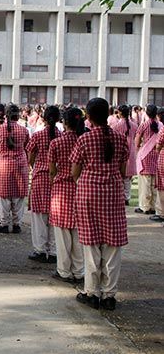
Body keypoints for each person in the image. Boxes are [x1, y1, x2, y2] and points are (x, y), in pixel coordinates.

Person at [71, 97, 128, 311]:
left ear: (89, 116)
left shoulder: (84, 140)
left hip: (88, 193)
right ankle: (109, 295)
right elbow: (123, 171)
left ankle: (92, 292)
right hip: (112, 193)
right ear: (108, 114)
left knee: (91, 244)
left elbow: (74, 172)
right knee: (113, 245)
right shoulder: (120, 139)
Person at [48, 107, 85, 284]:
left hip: (62, 189)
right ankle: (79, 271)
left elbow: (52, 169)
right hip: (81, 189)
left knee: (62, 234)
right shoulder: (85, 140)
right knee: (78, 232)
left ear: (65, 122)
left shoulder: (56, 143)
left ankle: (64, 270)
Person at [26, 105, 61, 263]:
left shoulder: (38, 135)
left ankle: (40, 249)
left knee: (39, 216)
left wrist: (37, 166)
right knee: (55, 216)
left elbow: (30, 157)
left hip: (41, 177)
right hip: (57, 179)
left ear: (44, 119)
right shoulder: (62, 136)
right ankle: (53, 250)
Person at [0, 104, 30, 234]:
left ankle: (4, 223)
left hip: (3, 165)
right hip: (20, 165)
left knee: (3, 196)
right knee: (18, 196)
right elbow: (27, 147)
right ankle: (16, 224)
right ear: (18, 115)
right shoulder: (24, 130)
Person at [134, 104, 161, 215]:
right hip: (157, 156)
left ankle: (145, 206)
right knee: (154, 184)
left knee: (145, 183)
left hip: (145, 157)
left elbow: (137, 141)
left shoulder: (144, 125)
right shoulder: (161, 125)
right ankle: (154, 206)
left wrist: (138, 150)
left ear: (146, 113)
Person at [111, 105, 138, 205]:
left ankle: (120, 196)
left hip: (119, 152)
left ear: (119, 113)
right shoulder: (134, 125)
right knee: (128, 178)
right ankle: (127, 197)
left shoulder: (116, 126)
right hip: (131, 151)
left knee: (119, 176)